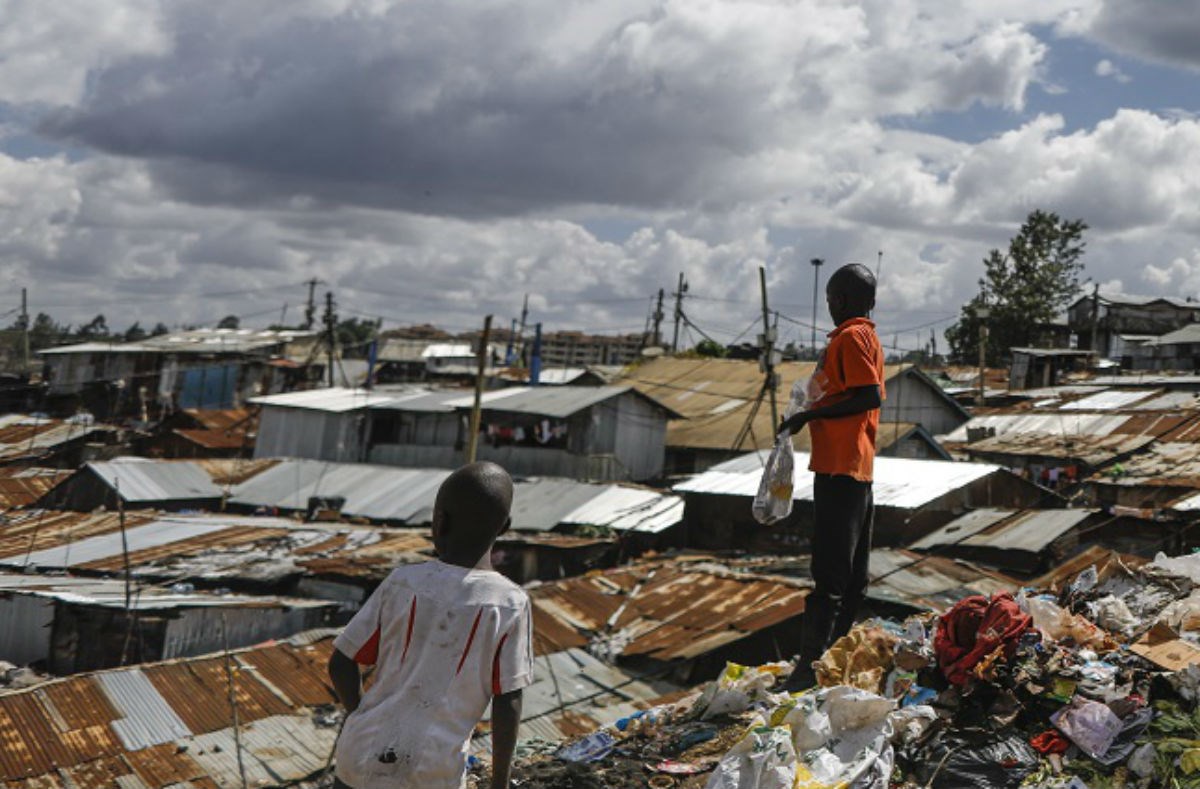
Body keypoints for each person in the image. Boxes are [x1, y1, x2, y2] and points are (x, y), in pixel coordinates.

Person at [327, 462, 533, 789]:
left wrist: (359, 716)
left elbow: (340, 663)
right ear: (504, 527)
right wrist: (500, 782)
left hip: (358, 756)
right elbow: (508, 701)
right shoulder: (509, 603)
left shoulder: (402, 582)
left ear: (439, 522)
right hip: (432, 769)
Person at [778, 263, 885, 691]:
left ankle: (809, 670)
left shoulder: (852, 336)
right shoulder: (866, 337)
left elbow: (867, 395)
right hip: (855, 467)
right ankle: (834, 662)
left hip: (841, 467)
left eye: (829, 300)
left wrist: (809, 414)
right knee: (852, 577)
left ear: (838, 300)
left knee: (830, 576)